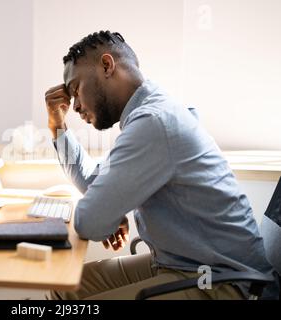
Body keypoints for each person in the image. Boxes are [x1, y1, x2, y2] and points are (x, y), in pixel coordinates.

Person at [45, 30, 279, 300]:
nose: (74, 106)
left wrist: (106, 213)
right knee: (62, 286)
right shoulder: (146, 116)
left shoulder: (153, 123)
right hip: (182, 265)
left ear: (107, 66)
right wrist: (57, 126)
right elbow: (91, 182)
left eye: (76, 89)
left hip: (225, 281)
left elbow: (89, 222)